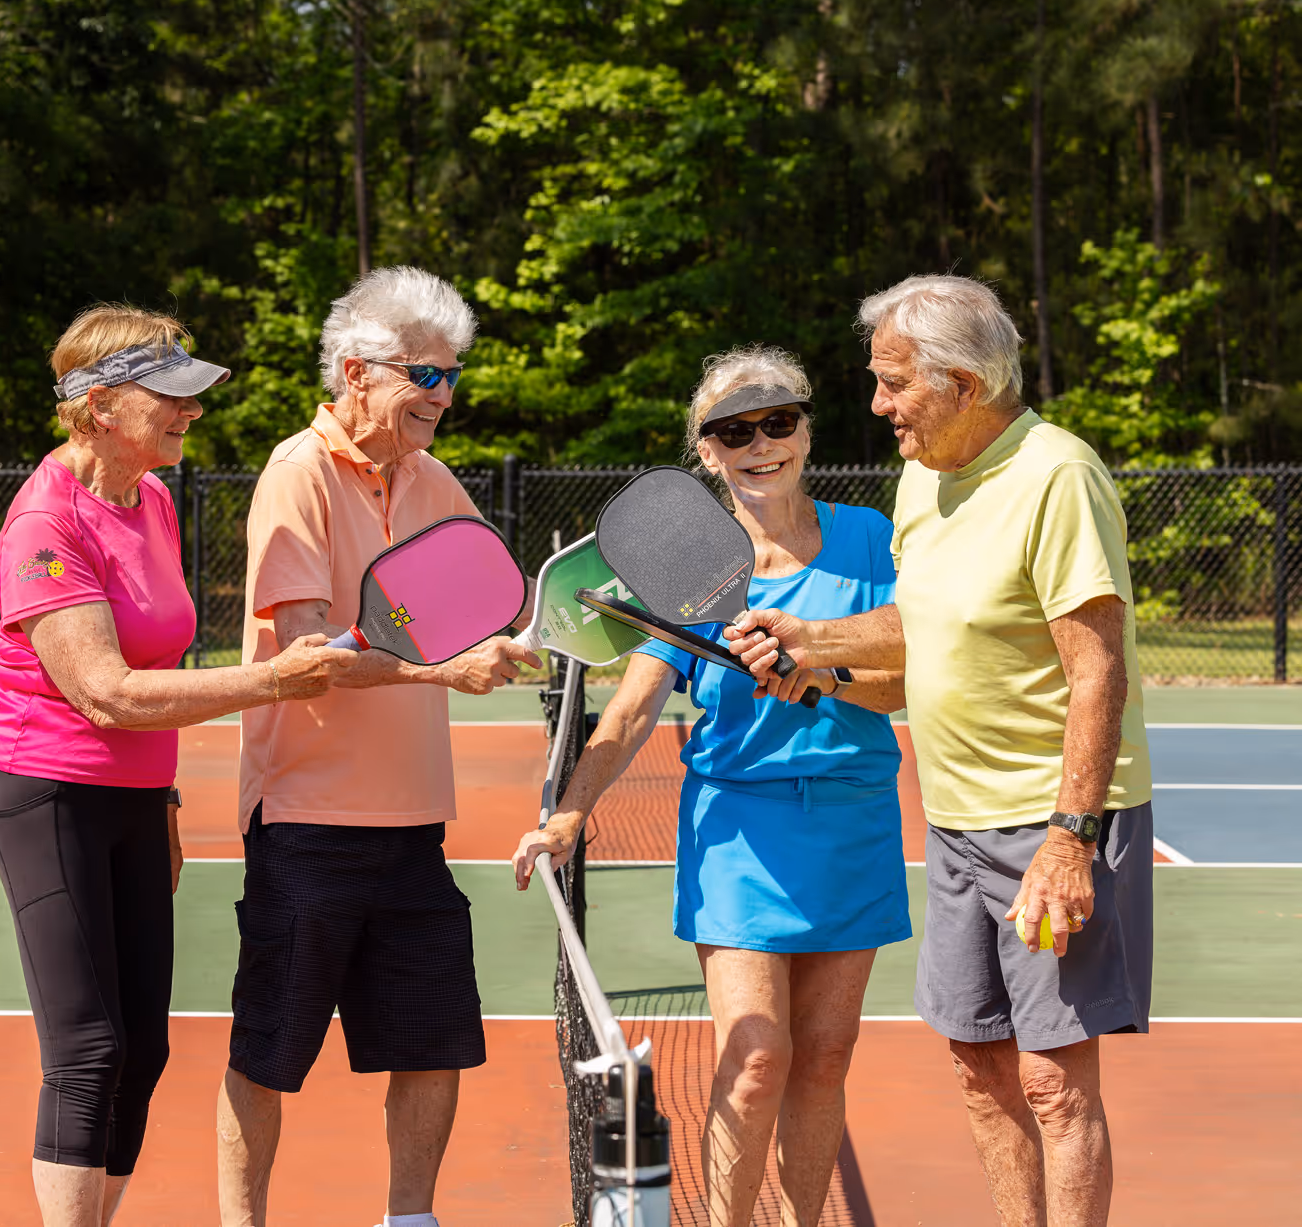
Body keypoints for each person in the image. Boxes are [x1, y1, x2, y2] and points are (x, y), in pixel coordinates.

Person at [732, 275, 1154, 1227]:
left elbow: (1098, 669)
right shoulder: (926, 473)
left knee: (1054, 1082)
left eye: (893, 384)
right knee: (977, 1066)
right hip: (956, 824)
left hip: (1052, 821)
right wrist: (814, 642)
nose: (877, 406)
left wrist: (1070, 836)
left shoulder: (1059, 476)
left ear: (964, 384)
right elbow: (917, 622)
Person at [0, 304, 356, 1227]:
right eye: (170, 395)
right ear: (100, 405)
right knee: (89, 1049)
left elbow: (158, 666)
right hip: (46, 788)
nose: (192, 411)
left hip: (136, 795)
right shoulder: (43, 524)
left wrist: (167, 800)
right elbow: (103, 691)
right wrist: (272, 681)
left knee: (144, 1049)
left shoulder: (152, 498)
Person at [511, 346, 909, 1227]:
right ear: (708, 451)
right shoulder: (681, 569)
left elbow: (905, 681)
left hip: (853, 817)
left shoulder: (871, 537)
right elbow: (629, 712)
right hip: (739, 826)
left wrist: (822, 672)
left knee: (826, 1057)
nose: (761, 442)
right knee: (758, 1054)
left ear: (807, 429)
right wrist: (568, 810)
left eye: (778, 421)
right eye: (734, 430)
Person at [214, 267, 541, 1227]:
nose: (445, 395)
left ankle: (409, 1219)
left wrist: (524, 640)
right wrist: (445, 671)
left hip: (413, 826)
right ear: (358, 373)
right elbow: (311, 658)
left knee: (434, 1043)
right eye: (425, 376)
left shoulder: (432, 481)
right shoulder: (296, 475)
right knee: (267, 1052)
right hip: (307, 821)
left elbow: (491, 604)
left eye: (451, 376)